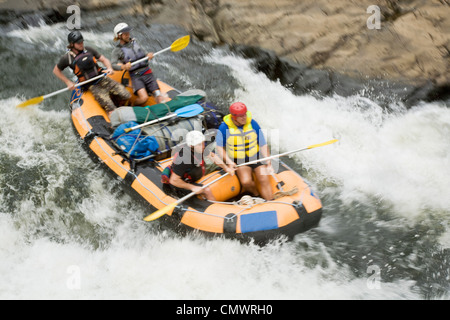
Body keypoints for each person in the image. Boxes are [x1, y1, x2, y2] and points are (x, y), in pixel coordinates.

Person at [53, 31, 131, 115]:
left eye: (82, 42)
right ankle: (113, 118)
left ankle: (120, 107)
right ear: (72, 44)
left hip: (102, 78)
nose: (81, 44)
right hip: (91, 85)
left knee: (127, 96)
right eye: (78, 43)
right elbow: (56, 70)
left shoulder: (88, 49)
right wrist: (68, 82)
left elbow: (103, 59)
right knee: (110, 108)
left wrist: (109, 68)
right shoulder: (67, 58)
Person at [215, 102, 274, 200]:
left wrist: (269, 163)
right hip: (240, 160)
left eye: (245, 114)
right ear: (234, 117)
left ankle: (271, 201)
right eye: (241, 116)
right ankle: (257, 196)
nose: (244, 118)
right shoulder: (224, 127)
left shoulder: (253, 123)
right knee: (246, 181)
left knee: (263, 178)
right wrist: (229, 162)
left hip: (256, 157)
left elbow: (263, 144)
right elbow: (219, 148)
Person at [162, 131, 235, 201]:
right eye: (199, 145)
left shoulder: (200, 148)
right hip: (182, 182)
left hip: (193, 174)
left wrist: (226, 168)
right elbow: (174, 180)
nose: (203, 146)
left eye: (203, 143)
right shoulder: (184, 159)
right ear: (191, 146)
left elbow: (213, 156)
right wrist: (192, 187)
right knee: (207, 190)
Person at [111, 23, 166, 106]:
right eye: (125, 34)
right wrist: (123, 66)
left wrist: (148, 55)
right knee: (144, 98)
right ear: (119, 36)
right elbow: (113, 65)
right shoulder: (117, 50)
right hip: (136, 76)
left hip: (148, 73)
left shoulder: (134, 42)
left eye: (128, 33)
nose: (127, 35)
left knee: (159, 96)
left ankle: (163, 113)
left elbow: (143, 54)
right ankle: (133, 108)